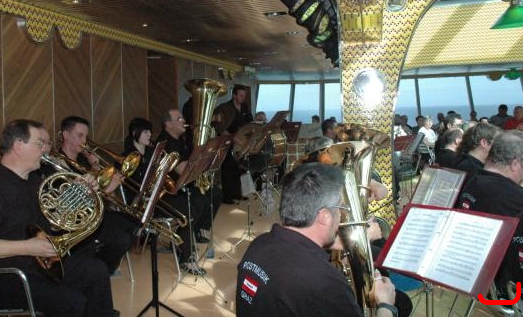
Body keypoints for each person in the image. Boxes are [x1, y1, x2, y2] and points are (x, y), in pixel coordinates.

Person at [0, 119, 118, 317]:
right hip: (3, 277)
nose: (46, 149)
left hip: (37, 265)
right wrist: (27, 247)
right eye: (40, 143)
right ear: (18, 146)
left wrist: (82, 195)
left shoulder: (34, 182)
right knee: (72, 301)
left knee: (96, 270)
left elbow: (52, 224)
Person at [236, 163, 397, 317]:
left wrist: (341, 244)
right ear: (324, 216)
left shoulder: (258, 244)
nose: (342, 215)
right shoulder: (325, 282)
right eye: (341, 208)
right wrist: (385, 304)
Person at [58, 116, 137, 275]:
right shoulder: (59, 164)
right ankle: (103, 269)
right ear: (65, 135)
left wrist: (95, 165)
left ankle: (101, 264)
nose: (84, 141)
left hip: (97, 212)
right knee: (122, 239)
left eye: (86, 136)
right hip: (81, 220)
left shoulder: (83, 160)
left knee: (132, 223)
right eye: (80, 135)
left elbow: (107, 198)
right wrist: (109, 188)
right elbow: (77, 202)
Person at [156, 109, 221, 275]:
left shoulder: (181, 140)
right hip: (167, 193)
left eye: (183, 118)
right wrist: (202, 158)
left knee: (214, 194)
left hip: (183, 187)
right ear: (168, 124)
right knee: (191, 207)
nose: (184, 120)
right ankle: (187, 258)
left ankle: (191, 233)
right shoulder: (165, 142)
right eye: (179, 119)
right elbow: (181, 170)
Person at [457, 131, 523, 293]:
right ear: (514, 163)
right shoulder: (515, 198)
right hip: (506, 289)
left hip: (473, 276)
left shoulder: (472, 181)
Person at [213, 85, 254, 204]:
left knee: (239, 168)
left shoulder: (245, 108)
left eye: (244, 96)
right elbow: (219, 127)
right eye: (241, 95)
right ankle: (227, 196)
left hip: (241, 143)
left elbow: (250, 123)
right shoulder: (224, 108)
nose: (243, 98)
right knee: (228, 169)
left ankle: (237, 193)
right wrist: (232, 138)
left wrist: (248, 138)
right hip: (228, 141)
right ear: (234, 95)